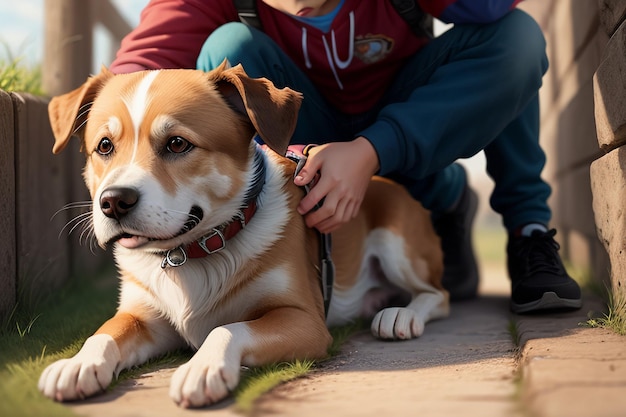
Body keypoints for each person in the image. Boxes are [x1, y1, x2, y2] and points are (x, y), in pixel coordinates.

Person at [109, 0, 582, 314]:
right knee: (229, 47)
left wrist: (370, 150)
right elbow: (127, 81)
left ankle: (523, 230)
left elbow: (495, 8)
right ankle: (266, 261)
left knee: (516, 37)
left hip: (405, 137)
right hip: (307, 151)